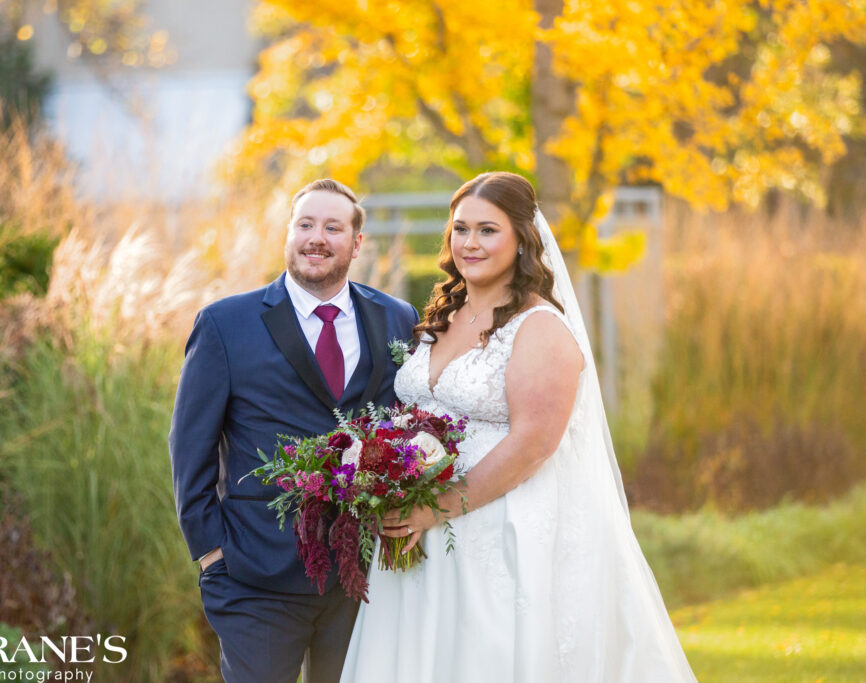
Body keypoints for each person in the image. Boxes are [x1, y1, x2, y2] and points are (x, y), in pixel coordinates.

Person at [340, 172, 696, 681]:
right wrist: (393, 485)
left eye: (488, 230)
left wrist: (433, 509)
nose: (470, 243)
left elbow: (534, 444)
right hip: (422, 534)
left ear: (522, 239)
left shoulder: (540, 327)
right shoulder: (444, 316)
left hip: (499, 526)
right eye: (460, 229)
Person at [169, 179, 419, 683]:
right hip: (255, 574)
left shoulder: (396, 318)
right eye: (305, 224)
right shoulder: (226, 324)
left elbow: (408, 425)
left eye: (333, 227)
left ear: (355, 242)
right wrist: (211, 553)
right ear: (288, 233)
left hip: (362, 576)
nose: (316, 238)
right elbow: (189, 445)